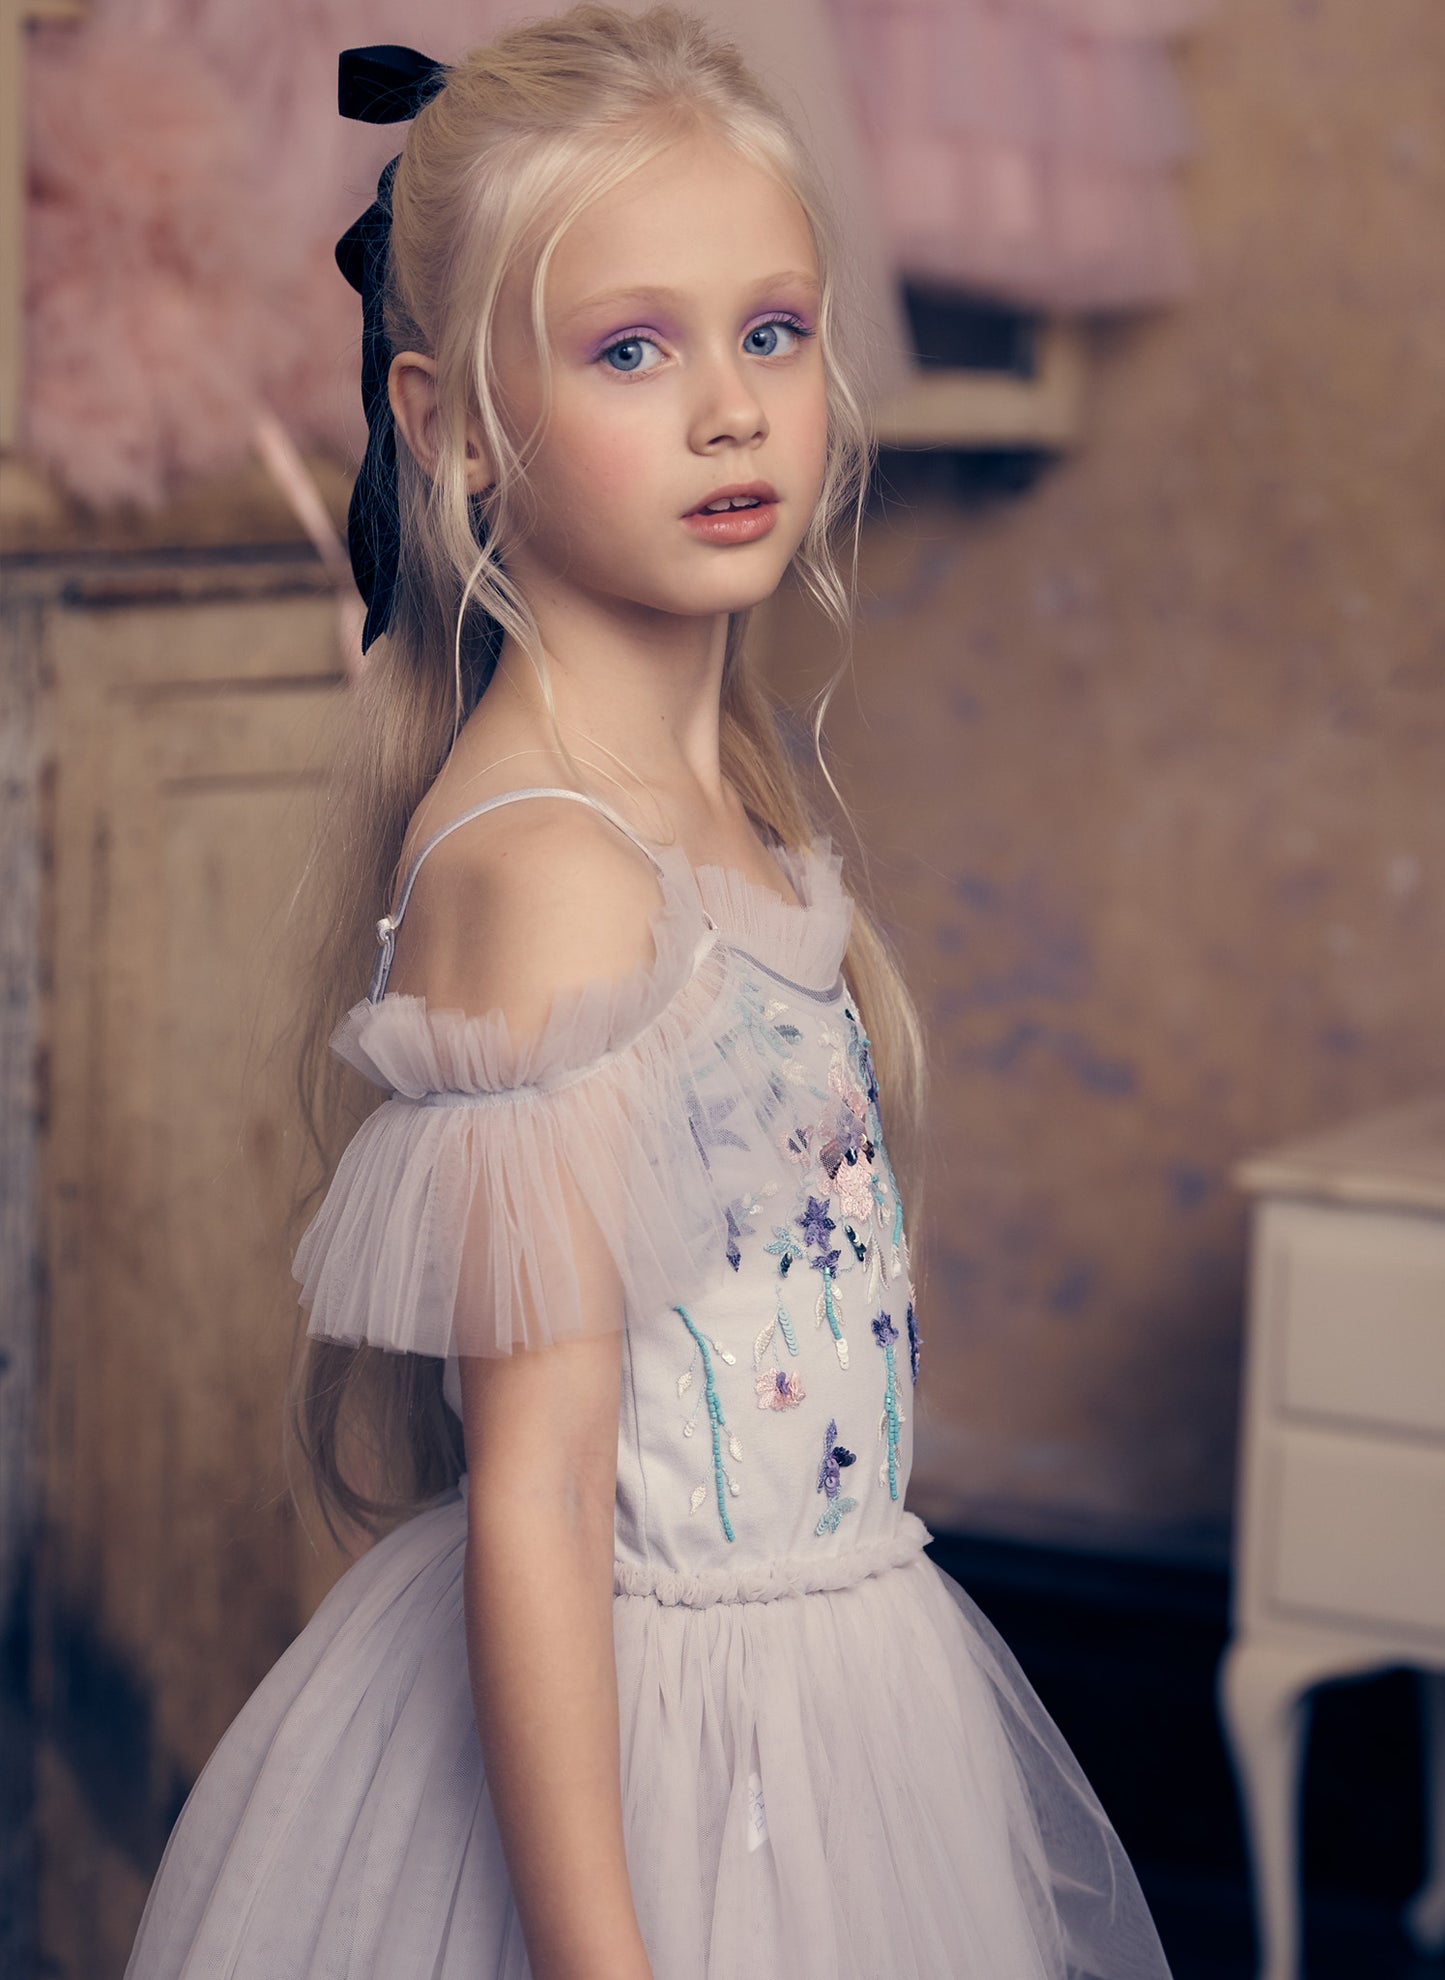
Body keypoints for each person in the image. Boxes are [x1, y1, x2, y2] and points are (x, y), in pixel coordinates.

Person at [125, 9, 1174, 1977]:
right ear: (452, 423)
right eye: (631, 349)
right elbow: (538, 1501)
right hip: (656, 1751)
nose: (730, 411)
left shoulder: (723, 808)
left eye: (770, 331)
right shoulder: (551, 872)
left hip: (834, 1692)